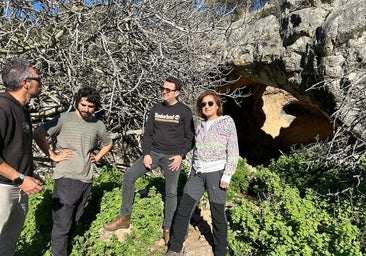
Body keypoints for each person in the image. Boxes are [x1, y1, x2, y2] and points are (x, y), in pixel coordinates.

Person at [103, 77, 195, 245]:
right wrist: (146, 153)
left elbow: (190, 137)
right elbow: (148, 134)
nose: (164, 91)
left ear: (177, 93)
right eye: (163, 88)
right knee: (129, 176)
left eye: (168, 89)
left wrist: (181, 155)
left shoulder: (184, 111)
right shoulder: (156, 109)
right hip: (153, 153)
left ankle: (167, 227)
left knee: (171, 191)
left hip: (172, 157)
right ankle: (124, 217)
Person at [33, 86, 113, 256]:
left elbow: (108, 143)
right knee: (62, 223)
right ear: (77, 102)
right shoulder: (64, 118)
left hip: (86, 178)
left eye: (90, 106)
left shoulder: (98, 124)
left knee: (74, 220)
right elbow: (39, 133)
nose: (86, 109)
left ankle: (64, 250)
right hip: (66, 177)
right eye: (83, 104)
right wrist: (53, 155)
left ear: (95, 107)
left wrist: (97, 157)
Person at [165, 90, 239, 256]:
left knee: (217, 214)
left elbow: (233, 150)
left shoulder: (226, 122)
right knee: (183, 209)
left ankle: (220, 251)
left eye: (210, 103)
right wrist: (192, 172)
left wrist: (227, 175)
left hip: (217, 173)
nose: (206, 106)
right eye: (203, 104)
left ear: (217, 105)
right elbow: (197, 151)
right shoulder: (199, 126)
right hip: (197, 174)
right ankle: (174, 248)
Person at [0, 57, 43, 255]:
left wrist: (27, 174)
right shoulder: (3, 107)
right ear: (25, 83)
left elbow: (15, 148)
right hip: (3, 188)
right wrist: (20, 177)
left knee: (8, 244)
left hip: (18, 187)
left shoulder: (22, 109)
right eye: (37, 78)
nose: (40, 82)